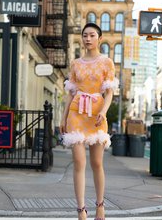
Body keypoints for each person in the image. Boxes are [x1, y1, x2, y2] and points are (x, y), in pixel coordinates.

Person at [60, 22, 118, 220]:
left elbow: (109, 92)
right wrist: (64, 116)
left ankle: (100, 205)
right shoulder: (75, 64)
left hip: (96, 113)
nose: (88, 39)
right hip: (77, 112)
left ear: (99, 38)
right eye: (85, 35)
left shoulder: (107, 62)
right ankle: (81, 209)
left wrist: (103, 110)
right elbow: (70, 93)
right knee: (78, 161)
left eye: (92, 35)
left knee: (96, 162)